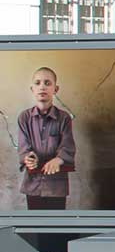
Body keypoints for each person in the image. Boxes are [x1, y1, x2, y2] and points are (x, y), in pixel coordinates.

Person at [17, 67, 75, 210]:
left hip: (56, 186)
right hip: (33, 184)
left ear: (56, 89)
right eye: (37, 83)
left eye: (48, 83)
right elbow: (24, 148)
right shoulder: (24, 117)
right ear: (32, 89)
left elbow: (68, 146)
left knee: (56, 227)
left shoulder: (64, 118)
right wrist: (29, 158)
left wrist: (59, 159)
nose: (42, 86)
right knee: (36, 225)